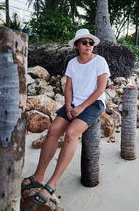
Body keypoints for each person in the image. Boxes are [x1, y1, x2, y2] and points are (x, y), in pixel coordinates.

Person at [21, 28, 110, 205]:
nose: (88, 45)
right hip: (74, 103)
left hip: (94, 104)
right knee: (53, 130)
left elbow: (101, 89)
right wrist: (68, 106)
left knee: (71, 134)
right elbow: (68, 87)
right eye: (84, 42)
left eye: (90, 42)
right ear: (77, 45)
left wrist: (81, 107)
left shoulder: (100, 61)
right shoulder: (72, 63)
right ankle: (39, 176)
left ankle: (52, 183)